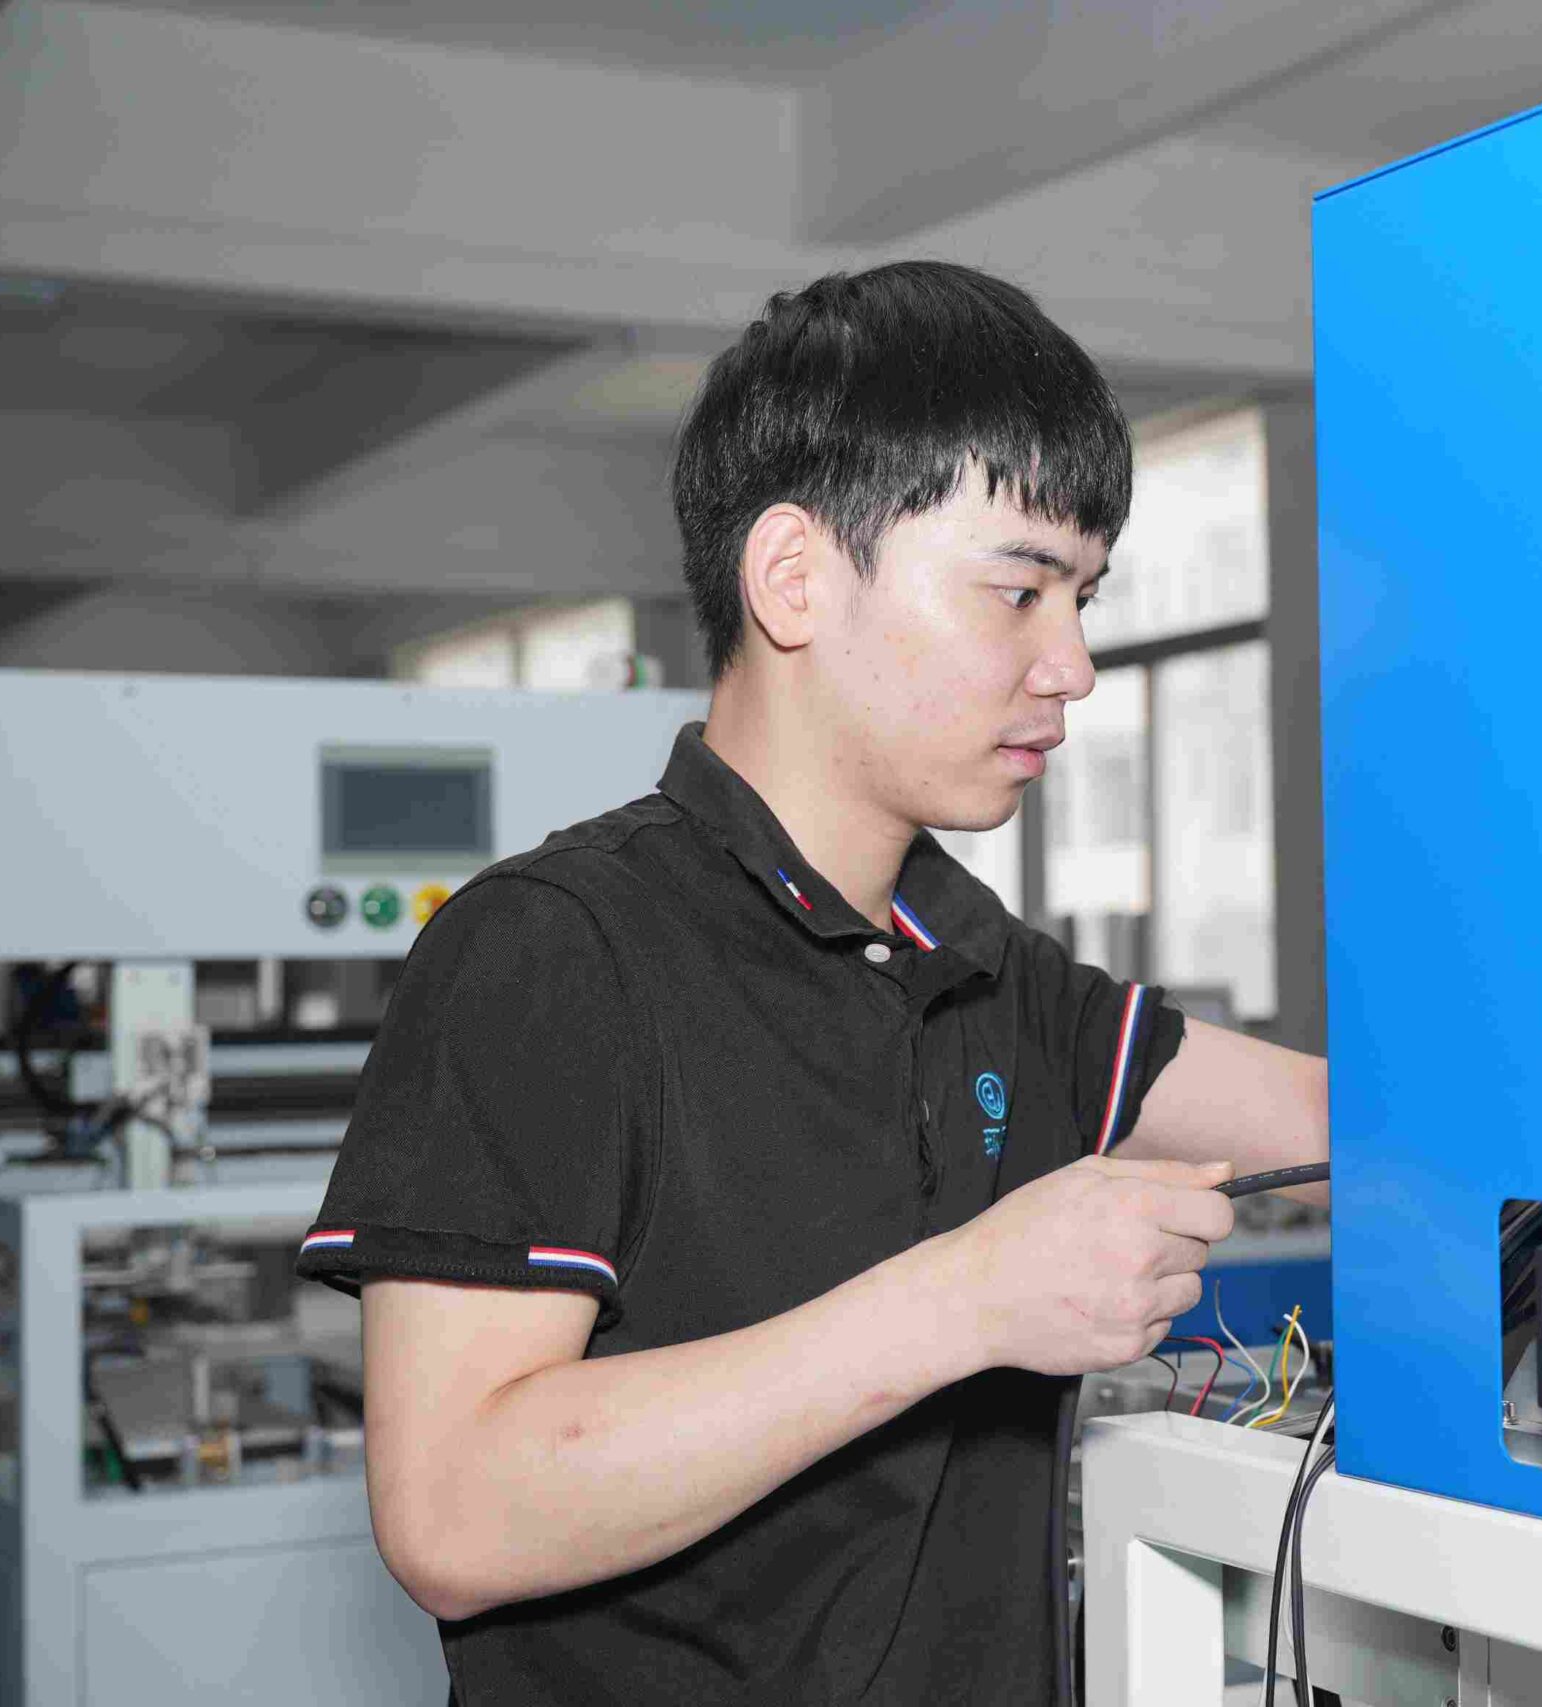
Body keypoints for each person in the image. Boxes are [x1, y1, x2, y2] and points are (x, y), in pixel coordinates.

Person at [295, 261, 1330, 1704]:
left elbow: (1338, 1124)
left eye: (1083, 597)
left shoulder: (978, 966)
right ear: (793, 579)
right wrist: (964, 1301)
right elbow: (454, 1512)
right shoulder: (553, 953)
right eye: (1019, 590)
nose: (1077, 665)